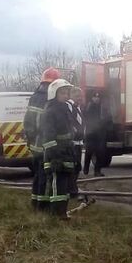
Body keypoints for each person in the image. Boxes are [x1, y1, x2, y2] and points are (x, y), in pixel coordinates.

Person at [40, 79, 83, 218]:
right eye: (63, 93)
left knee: (64, 185)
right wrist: (54, 157)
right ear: (54, 94)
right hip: (56, 154)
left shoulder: (65, 109)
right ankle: (56, 214)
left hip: (66, 152)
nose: (66, 96)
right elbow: (47, 137)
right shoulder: (50, 111)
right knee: (57, 184)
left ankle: (62, 212)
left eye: (67, 92)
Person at [24, 67, 60, 211]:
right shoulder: (50, 98)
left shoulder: (34, 96)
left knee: (38, 174)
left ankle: (35, 202)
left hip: (35, 144)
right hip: (45, 143)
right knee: (46, 175)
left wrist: (31, 138)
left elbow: (28, 121)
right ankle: (43, 205)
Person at [82, 90, 107, 177]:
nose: (97, 98)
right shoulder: (90, 106)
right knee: (89, 152)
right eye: (95, 97)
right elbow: (87, 119)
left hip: (99, 132)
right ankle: (86, 169)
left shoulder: (101, 107)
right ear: (92, 98)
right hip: (91, 133)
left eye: (98, 97)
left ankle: (97, 171)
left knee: (100, 152)